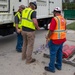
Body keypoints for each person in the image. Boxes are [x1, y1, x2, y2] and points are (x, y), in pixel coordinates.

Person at [44, 7, 66, 73]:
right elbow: (64, 29)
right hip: (62, 39)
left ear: (55, 12)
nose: (53, 14)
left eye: (54, 12)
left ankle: (51, 68)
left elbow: (51, 30)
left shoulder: (54, 19)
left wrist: (48, 37)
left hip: (55, 40)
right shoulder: (63, 19)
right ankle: (59, 66)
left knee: (53, 54)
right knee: (59, 52)